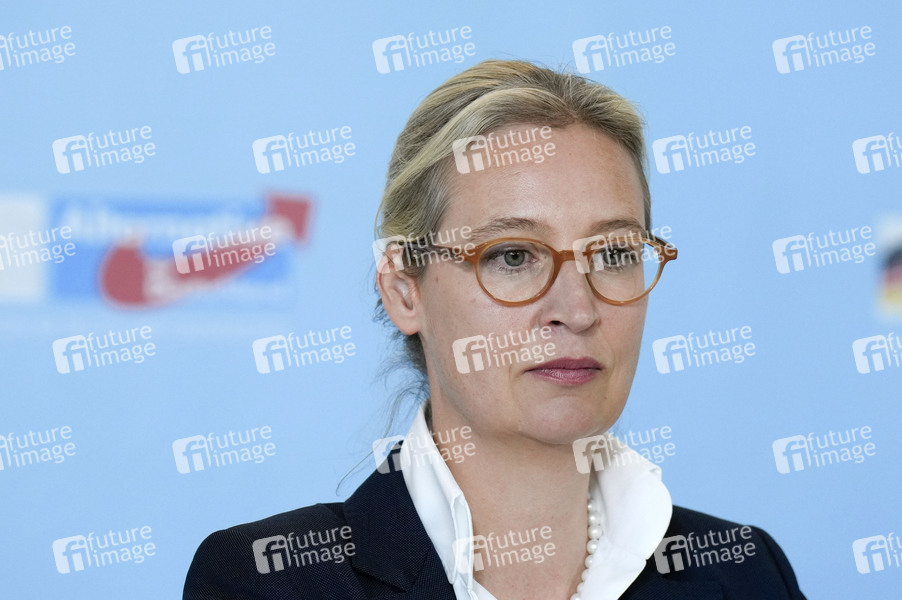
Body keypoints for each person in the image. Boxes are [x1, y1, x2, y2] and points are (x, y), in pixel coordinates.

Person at [183, 59, 807, 600]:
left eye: (614, 253)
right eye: (512, 256)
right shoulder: (271, 583)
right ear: (404, 290)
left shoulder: (744, 573)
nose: (578, 310)